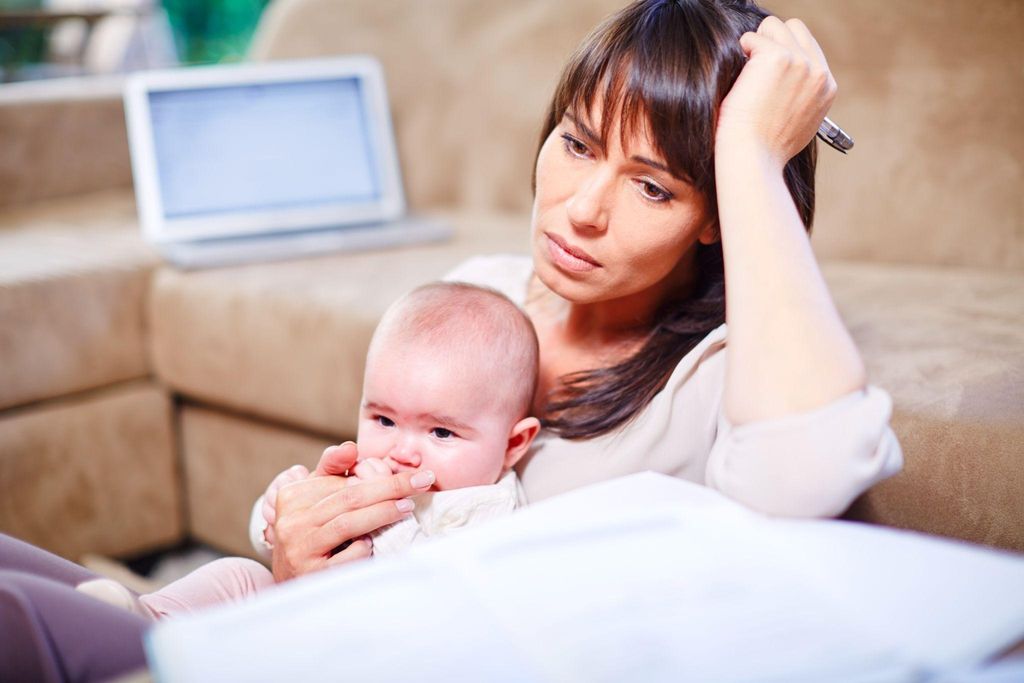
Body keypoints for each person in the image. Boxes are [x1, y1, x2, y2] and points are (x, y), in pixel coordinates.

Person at [0, 1, 904, 680]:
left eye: (654, 187)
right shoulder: (484, 291)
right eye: (579, 144)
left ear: (717, 217)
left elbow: (806, 472)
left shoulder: (719, 376)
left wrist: (751, 152)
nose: (582, 211)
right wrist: (302, 541)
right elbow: (378, 482)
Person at [73, 282, 541, 620]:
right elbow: (274, 548)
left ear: (513, 445)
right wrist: (281, 509)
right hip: (301, 614)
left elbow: (433, 604)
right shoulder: (361, 471)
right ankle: (143, 623)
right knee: (239, 574)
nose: (402, 452)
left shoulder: (489, 512)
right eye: (383, 420)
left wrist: (391, 520)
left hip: (373, 647)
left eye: (440, 433)